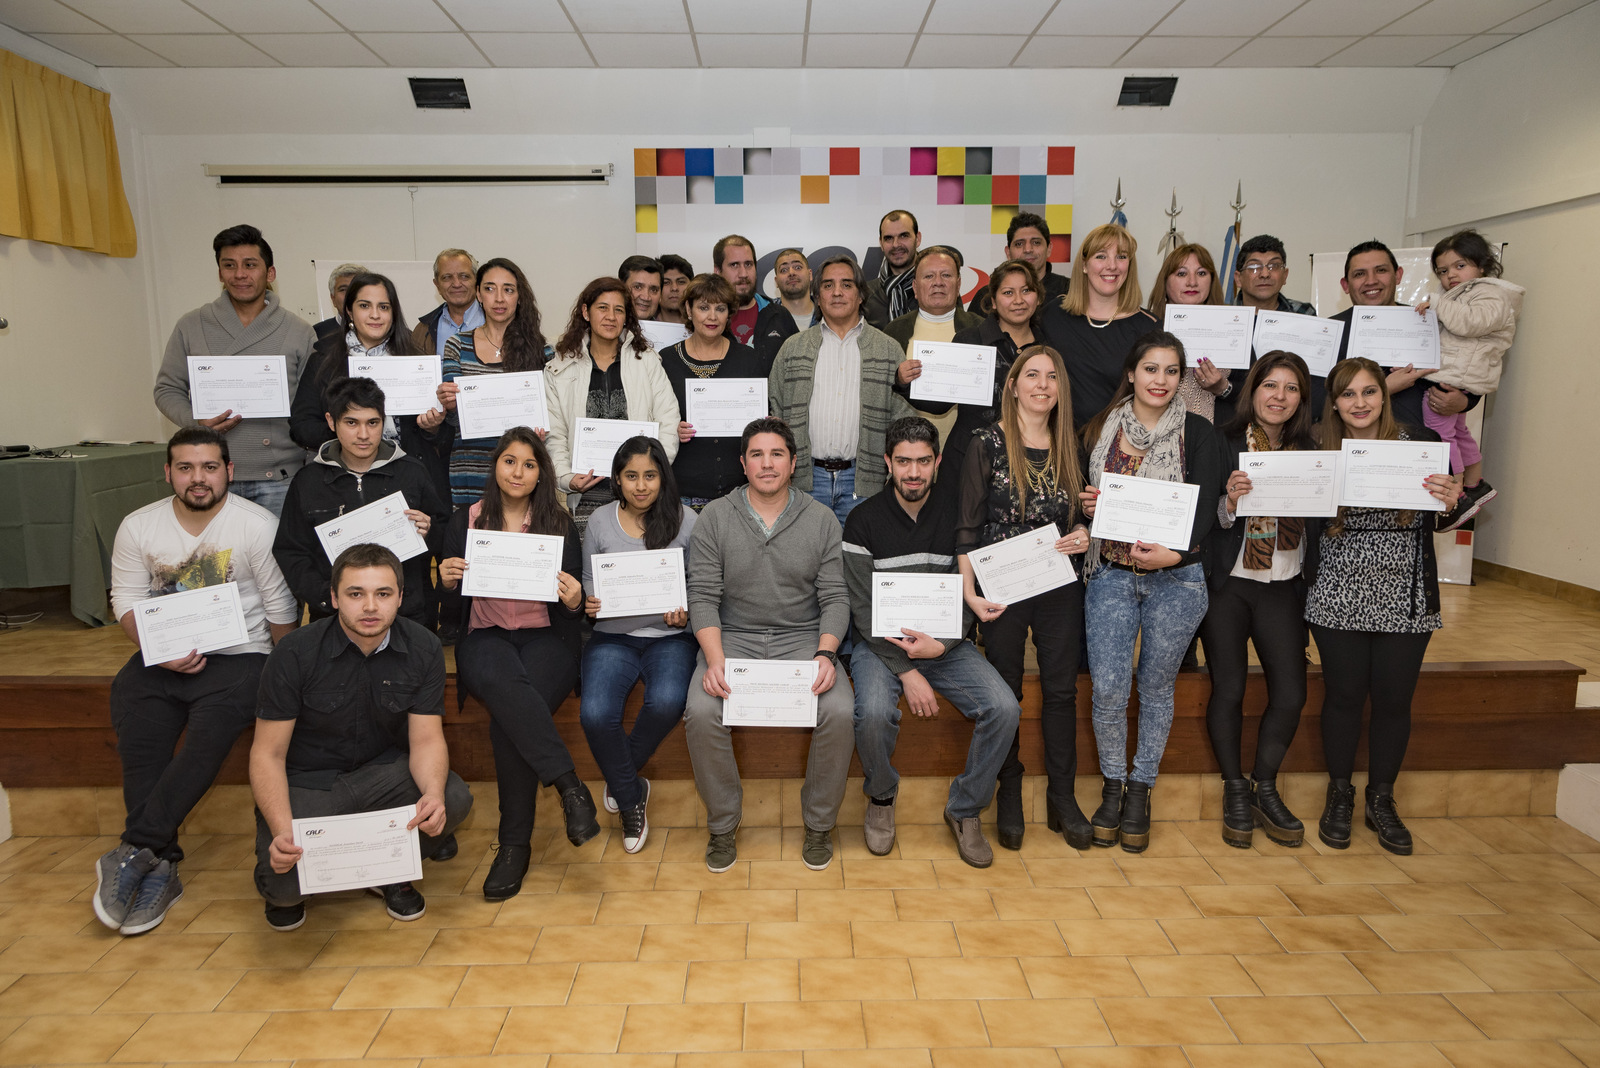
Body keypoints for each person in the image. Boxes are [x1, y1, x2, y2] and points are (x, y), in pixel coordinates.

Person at [96, 428, 298, 936]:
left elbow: (280, 611)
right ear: (168, 473)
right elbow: (125, 601)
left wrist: (281, 677)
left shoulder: (256, 526)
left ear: (229, 471)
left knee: (207, 739)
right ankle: (159, 859)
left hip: (240, 657)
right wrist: (158, 652)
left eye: (209, 467)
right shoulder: (138, 527)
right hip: (160, 656)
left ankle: (137, 847)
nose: (198, 478)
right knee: (138, 728)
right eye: (185, 468)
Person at [251, 543, 474, 930]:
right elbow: (267, 754)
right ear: (334, 598)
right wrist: (282, 830)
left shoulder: (422, 646)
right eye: (356, 594)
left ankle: (389, 871)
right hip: (311, 784)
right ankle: (340, 861)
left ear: (400, 598)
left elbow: (426, 740)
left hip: (384, 777)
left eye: (383, 594)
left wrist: (432, 795)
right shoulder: (294, 653)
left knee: (451, 797)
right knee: (284, 887)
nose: (370, 606)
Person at [846, 417, 1022, 867]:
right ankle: (882, 798)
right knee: (871, 714)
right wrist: (907, 671)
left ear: (938, 462)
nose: (913, 472)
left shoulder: (959, 514)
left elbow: (968, 589)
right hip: (880, 646)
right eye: (903, 461)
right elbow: (862, 609)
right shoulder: (862, 520)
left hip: (945, 643)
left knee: (1005, 709)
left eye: (923, 461)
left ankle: (964, 809)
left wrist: (941, 646)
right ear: (887, 462)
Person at [684, 417, 854, 873]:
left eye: (776, 453)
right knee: (701, 711)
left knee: (839, 710)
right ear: (742, 463)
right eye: (756, 454)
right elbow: (701, 595)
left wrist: (825, 652)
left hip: (802, 639)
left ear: (794, 463)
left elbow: (836, 597)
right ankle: (722, 825)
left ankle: (819, 823)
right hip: (731, 638)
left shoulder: (820, 519)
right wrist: (714, 661)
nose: (766, 463)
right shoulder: (715, 517)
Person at [1078, 332, 1226, 853]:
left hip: (1178, 580)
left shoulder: (1201, 434)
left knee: (1157, 688)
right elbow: (1083, 501)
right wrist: (1089, 508)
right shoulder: (1101, 427)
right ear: (1132, 373)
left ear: (1180, 377)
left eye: (1170, 371)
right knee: (1109, 690)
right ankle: (1113, 785)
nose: (1159, 380)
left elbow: (1207, 510)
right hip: (1112, 574)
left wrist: (1177, 556)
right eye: (1150, 369)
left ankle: (1142, 788)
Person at [1308, 358, 1463, 856]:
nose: (1360, 403)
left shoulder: (1422, 447)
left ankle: (1381, 798)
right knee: (1344, 696)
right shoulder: (1316, 447)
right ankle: (1339, 794)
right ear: (1334, 402)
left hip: (1405, 591)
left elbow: (1445, 516)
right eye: (1348, 394)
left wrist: (1449, 501)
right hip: (1336, 588)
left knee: (1394, 700)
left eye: (1369, 392)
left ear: (1384, 396)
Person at [437, 429, 595, 900]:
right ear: (495, 467)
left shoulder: (559, 524)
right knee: (509, 691)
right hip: (485, 637)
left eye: (529, 464)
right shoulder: (465, 521)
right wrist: (445, 582)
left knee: (510, 718)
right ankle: (569, 786)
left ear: (540, 473)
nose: (518, 472)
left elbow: (573, 606)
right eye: (510, 461)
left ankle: (513, 845)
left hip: (546, 639)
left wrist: (574, 599)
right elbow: (446, 604)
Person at [955, 345, 1093, 850]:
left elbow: (1083, 515)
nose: (1041, 385)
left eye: (1051, 377)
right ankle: (1008, 793)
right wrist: (968, 592)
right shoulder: (985, 443)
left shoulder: (1070, 444)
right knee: (1007, 691)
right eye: (1031, 375)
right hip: (1002, 585)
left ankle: (1063, 798)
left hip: (1058, 580)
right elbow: (968, 525)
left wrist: (1083, 533)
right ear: (1012, 385)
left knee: (1061, 691)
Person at [1199, 352, 1318, 849]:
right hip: (1229, 583)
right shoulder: (1222, 440)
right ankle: (1234, 789)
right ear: (1253, 389)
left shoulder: (1313, 451)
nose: (1279, 396)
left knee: (1291, 692)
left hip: (1283, 582)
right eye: (1270, 385)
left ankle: (1264, 785)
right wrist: (1228, 502)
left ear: (1300, 399)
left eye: (1291, 388)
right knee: (1228, 689)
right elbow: (1202, 518)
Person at [579, 437, 698, 854]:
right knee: (595, 714)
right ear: (617, 479)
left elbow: (700, 584)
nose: (641, 485)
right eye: (631, 476)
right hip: (613, 636)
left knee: (666, 702)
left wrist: (686, 612)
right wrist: (590, 602)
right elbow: (590, 580)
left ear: (663, 477)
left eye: (650, 475)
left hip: (670, 638)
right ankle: (632, 797)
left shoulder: (687, 520)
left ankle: (620, 778)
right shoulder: (598, 521)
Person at [153, 224, 317, 517]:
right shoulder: (192, 325)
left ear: (270, 274)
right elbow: (167, 389)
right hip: (208, 476)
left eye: (250, 265)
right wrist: (196, 421)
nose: (239, 274)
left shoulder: (299, 331)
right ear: (219, 273)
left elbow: (314, 403)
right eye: (229, 265)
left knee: (277, 563)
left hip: (280, 478)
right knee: (214, 563)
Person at [274, 376, 449, 625]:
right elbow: (291, 551)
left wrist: (429, 532)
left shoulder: (412, 472)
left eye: (373, 422)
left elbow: (444, 536)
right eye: (352, 423)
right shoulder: (308, 481)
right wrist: (326, 597)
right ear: (331, 422)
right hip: (333, 618)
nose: (364, 434)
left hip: (408, 616)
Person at [769, 255, 916, 525]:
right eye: (828, 285)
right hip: (804, 481)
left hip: (864, 482)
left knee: (857, 562)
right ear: (817, 295)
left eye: (847, 285)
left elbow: (901, 420)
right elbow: (774, 409)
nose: (837, 292)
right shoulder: (792, 348)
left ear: (861, 295)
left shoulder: (888, 348)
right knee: (806, 563)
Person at [544, 276, 680, 528]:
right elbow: (556, 433)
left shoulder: (647, 361)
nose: (611, 317)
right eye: (602, 308)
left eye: (619, 310)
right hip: (586, 494)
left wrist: (651, 472)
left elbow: (668, 420)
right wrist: (566, 478)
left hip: (640, 492)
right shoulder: (559, 367)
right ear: (586, 312)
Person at [1416, 229, 1522, 528]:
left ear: (1483, 265)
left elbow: (1470, 324)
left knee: (1440, 434)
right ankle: (1476, 485)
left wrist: (1437, 304)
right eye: (1443, 270)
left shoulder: (1490, 294)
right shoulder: (1465, 296)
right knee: (1460, 432)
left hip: (1455, 377)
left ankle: (1458, 492)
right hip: (1458, 375)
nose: (1451, 275)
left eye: (1460, 266)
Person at [429, 257, 550, 508]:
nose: (499, 298)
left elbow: (551, 413)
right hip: (470, 469)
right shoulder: (457, 345)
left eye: (508, 289)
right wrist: (448, 404)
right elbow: (453, 419)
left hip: (521, 476)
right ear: (478, 295)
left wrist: (544, 429)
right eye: (490, 288)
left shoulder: (542, 352)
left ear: (519, 297)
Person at [1331, 239, 1481, 434]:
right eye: (1360, 274)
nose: (1371, 281)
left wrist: (1464, 402)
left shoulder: (1429, 321)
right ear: (1346, 284)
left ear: (1398, 275)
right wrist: (1384, 388)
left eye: (1381, 270)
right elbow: (1317, 403)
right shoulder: (1332, 332)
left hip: (1422, 448)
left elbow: (1471, 367)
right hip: (1353, 447)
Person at [660, 273, 767, 510]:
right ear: (688, 310)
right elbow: (649, 419)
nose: (712, 316)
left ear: (729, 313)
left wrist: (766, 423)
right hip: (681, 497)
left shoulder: (748, 359)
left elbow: (762, 421)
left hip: (739, 497)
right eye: (703, 307)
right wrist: (669, 429)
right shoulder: (665, 361)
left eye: (720, 308)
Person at [1038, 223, 1159, 430]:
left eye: (1121, 256)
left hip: (1122, 450)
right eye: (1101, 256)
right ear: (1084, 265)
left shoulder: (1149, 328)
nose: (1111, 266)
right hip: (1061, 447)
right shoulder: (1054, 314)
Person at [887, 245, 985, 458]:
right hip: (909, 454)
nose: (938, 282)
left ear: (959, 284)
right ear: (914, 286)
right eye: (929, 276)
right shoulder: (894, 331)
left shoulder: (981, 331)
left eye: (946, 275)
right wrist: (898, 379)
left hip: (969, 453)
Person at [1146, 243, 1233, 421]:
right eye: (1182, 273)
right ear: (1165, 281)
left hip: (1219, 439)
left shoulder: (1233, 328)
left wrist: (1222, 388)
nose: (1192, 282)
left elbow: (1253, 393)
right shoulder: (1146, 330)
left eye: (1201, 273)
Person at [969, 212, 1069, 315]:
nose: (1028, 249)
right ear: (1008, 252)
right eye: (1019, 244)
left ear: (1049, 249)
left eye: (1036, 242)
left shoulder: (1070, 291)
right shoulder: (986, 296)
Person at [752, 248, 817, 370]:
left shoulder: (828, 315)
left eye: (797, 267)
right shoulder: (764, 316)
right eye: (784, 270)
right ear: (776, 281)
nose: (791, 273)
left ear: (810, 274)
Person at [412, 248, 485, 356]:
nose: (456, 284)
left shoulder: (498, 322)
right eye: (447, 277)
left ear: (476, 280)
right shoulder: (422, 331)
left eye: (464, 276)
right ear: (437, 285)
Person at [863, 209, 923, 329]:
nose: (896, 244)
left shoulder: (935, 289)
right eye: (888, 238)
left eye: (903, 236)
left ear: (918, 238)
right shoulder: (865, 294)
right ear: (881, 243)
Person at [714, 235, 764, 346]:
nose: (743, 274)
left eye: (748, 264)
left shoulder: (779, 315)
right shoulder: (706, 321)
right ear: (717, 271)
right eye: (734, 265)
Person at [314, 262, 368, 342]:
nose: (350, 294)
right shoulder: (317, 334)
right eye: (343, 290)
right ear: (333, 298)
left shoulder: (386, 331)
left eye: (357, 288)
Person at [618, 254, 664, 323]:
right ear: (620, 288)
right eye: (637, 287)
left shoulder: (668, 333)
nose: (646, 297)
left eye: (653, 290)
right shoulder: (602, 330)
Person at [657, 254, 694, 326]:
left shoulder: (704, 326)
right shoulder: (643, 327)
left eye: (681, 282)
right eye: (666, 282)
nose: (674, 288)